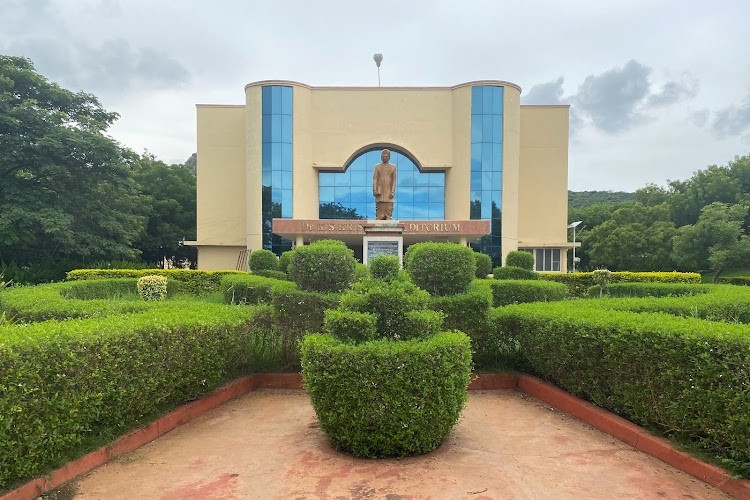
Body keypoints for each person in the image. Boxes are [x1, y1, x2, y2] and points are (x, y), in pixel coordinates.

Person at [372, 149, 397, 220]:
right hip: (380, 190)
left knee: (389, 205)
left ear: (389, 157)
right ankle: (380, 217)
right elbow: (375, 178)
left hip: (388, 190)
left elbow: (394, 180)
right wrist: (375, 190)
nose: (384, 158)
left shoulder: (393, 167)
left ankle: (388, 217)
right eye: (383, 156)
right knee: (380, 206)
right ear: (381, 157)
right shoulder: (377, 166)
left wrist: (392, 191)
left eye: (386, 156)